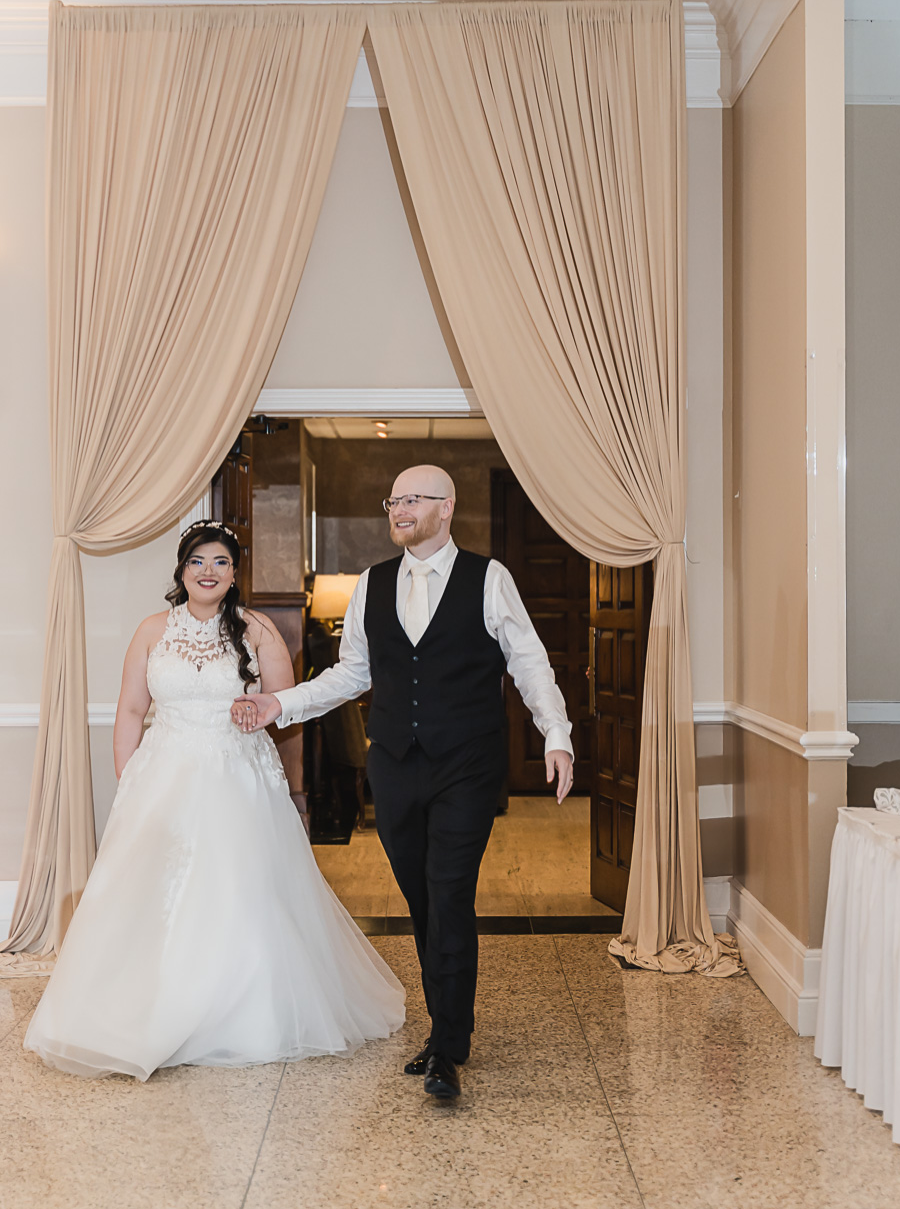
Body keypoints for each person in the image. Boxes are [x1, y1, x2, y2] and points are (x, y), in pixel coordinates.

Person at [233, 466, 574, 1100]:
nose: (399, 508)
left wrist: (556, 734)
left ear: (447, 508)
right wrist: (282, 706)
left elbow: (528, 660)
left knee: (448, 893)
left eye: (412, 498)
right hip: (393, 765)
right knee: (421, 899)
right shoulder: (373, 584)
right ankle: (451, 1027)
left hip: (466, 765)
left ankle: (446, 1047)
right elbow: (352, 672)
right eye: (393, 499)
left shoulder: (489, 578)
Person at [24, 521, 405, 1080]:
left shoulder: (258, 630)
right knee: (151, 892)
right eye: (198, 561)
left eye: (221, 562)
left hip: (236, 774)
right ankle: (146, 1008)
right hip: (163, 774)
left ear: (234, 573)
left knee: (237, 889)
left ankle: (237, 1012)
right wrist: (127, 778)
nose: (209, 571)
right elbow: (131, 710)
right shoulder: (152, 630)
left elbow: (283, 703)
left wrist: (258, 707)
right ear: (181, 570)